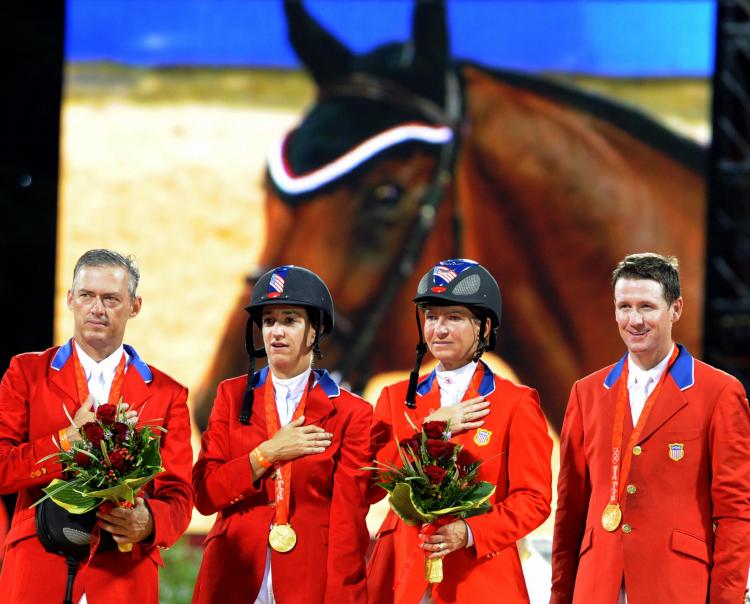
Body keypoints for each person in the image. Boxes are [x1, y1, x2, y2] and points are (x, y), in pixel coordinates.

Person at [550, 253, 750, 604]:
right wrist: (561, 596)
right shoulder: (587, 393)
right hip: (596, 587)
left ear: (676, 309)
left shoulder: (718, 392)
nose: (635, 320)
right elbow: (570, 511)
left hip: (677, 587)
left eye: (647, 306)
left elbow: (735, 512)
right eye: (624, 306)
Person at [0, 249, 193, 603]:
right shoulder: (26, 374)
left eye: (111, 298)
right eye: (87, 295)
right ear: (71, 299)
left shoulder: (167, 393)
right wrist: (65, 442)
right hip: (39, 564)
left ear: (134, 306)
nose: (97, 308)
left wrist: (149, 521)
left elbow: (179, 495)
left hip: (124, 573)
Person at [368, 258, 553, 604]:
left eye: (453, 317)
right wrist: (431, 428)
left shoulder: (516, 404)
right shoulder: (394, 399)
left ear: (484, 328)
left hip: (479, 578)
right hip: (401, 577)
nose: (438, 329)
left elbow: (534, 500)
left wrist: (469, 532)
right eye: (432, 317)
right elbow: (372, 484)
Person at [192, 265, 372, 603]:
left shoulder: (352, 412)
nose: (276, 331)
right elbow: (205, 494)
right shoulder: (231, 397)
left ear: (315, 330)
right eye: (269, 321)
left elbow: (348, 521)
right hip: (233, 574)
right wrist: (267, 453)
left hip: (309, 579)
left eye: (290, 321)